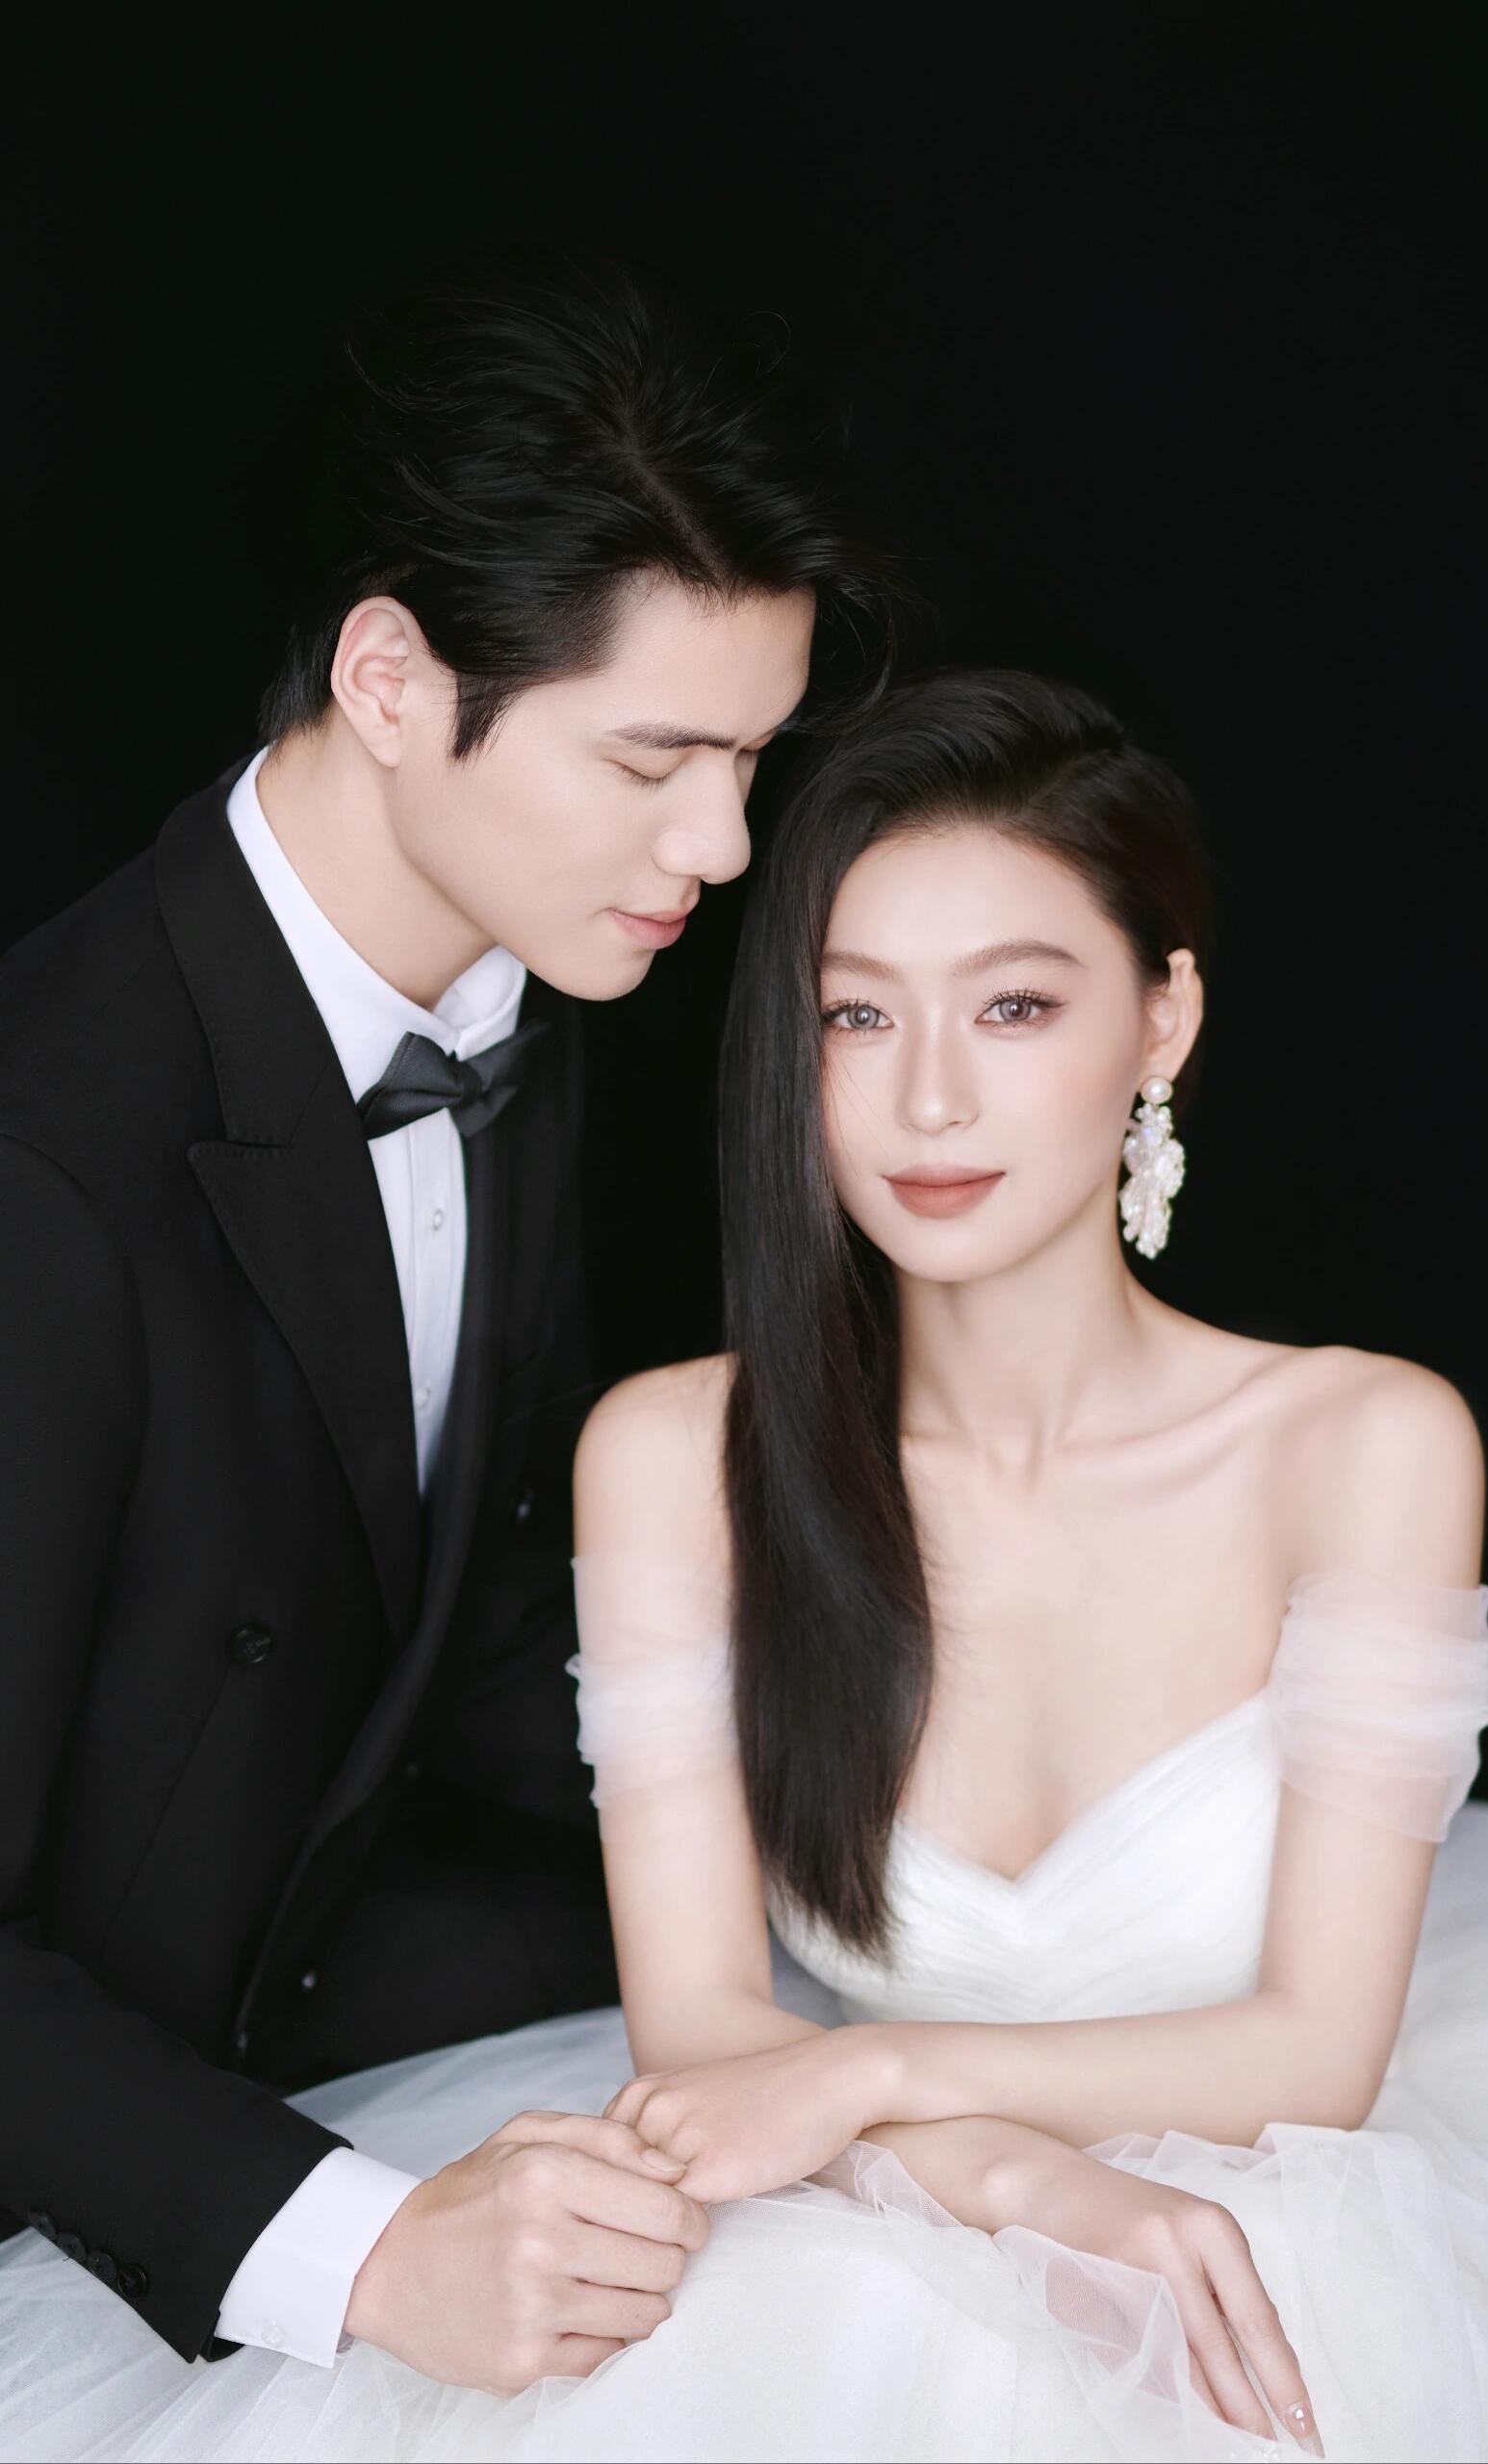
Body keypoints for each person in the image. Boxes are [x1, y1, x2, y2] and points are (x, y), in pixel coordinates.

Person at [6, 674, 1488, 2462]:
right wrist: (1006, 2176)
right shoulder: (674, 1462)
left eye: (1014, 1005)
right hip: (857, 2221)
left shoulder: (1363, 1444)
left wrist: (866, 2067)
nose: (929, 1099)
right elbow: (704, 2033)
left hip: (1281, 2204)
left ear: (1160, 1020)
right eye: (856, 1015)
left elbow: (1315, 2047)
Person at [0, 243, 906, 2400]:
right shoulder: (42, 1167)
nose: (723, 846)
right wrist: (371, 2251)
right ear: (392, 676)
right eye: (655, 757)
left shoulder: (518, 979)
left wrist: (880, 1787)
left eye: (751, 758)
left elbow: (452, 1613)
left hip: (358, 1978)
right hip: (109, 2161)